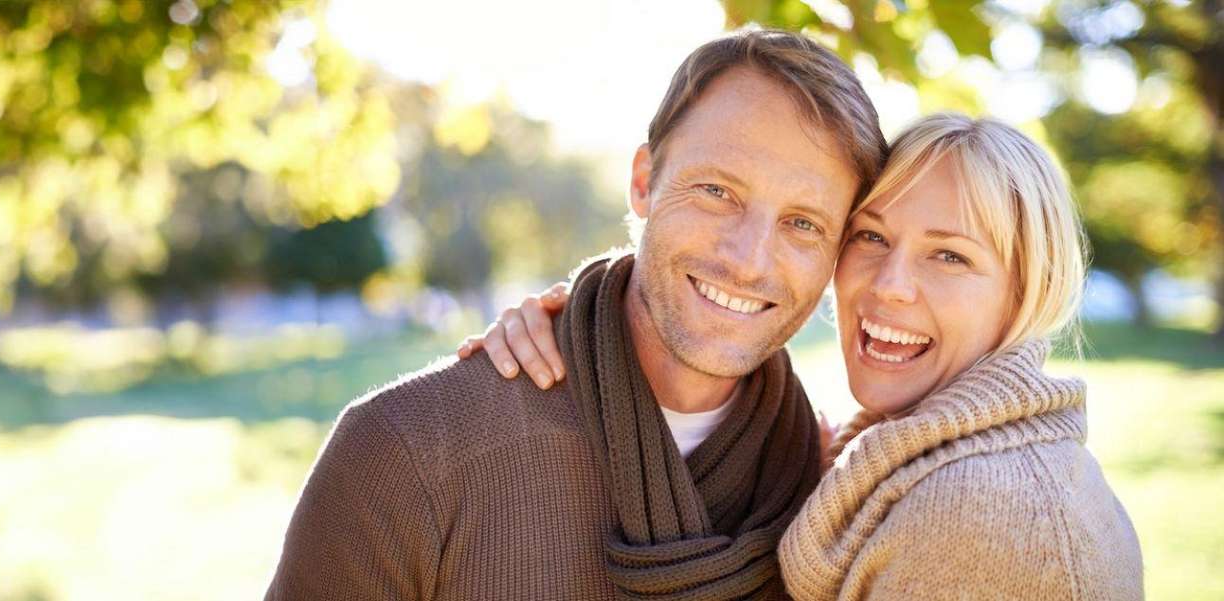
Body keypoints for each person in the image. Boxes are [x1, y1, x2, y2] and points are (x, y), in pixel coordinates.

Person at [265, 30, 886, 599]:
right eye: (717, 191)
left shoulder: (827, 488)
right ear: (644, 182)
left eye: (803, 224)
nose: (749, 261)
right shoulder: (407, 451)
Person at [463, 113, 1143, 598]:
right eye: (871, 236)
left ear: (1027, 289)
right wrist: (595, 315)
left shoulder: (981, 516)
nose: (888, 284)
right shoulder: (896, 461)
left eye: (949, 255)